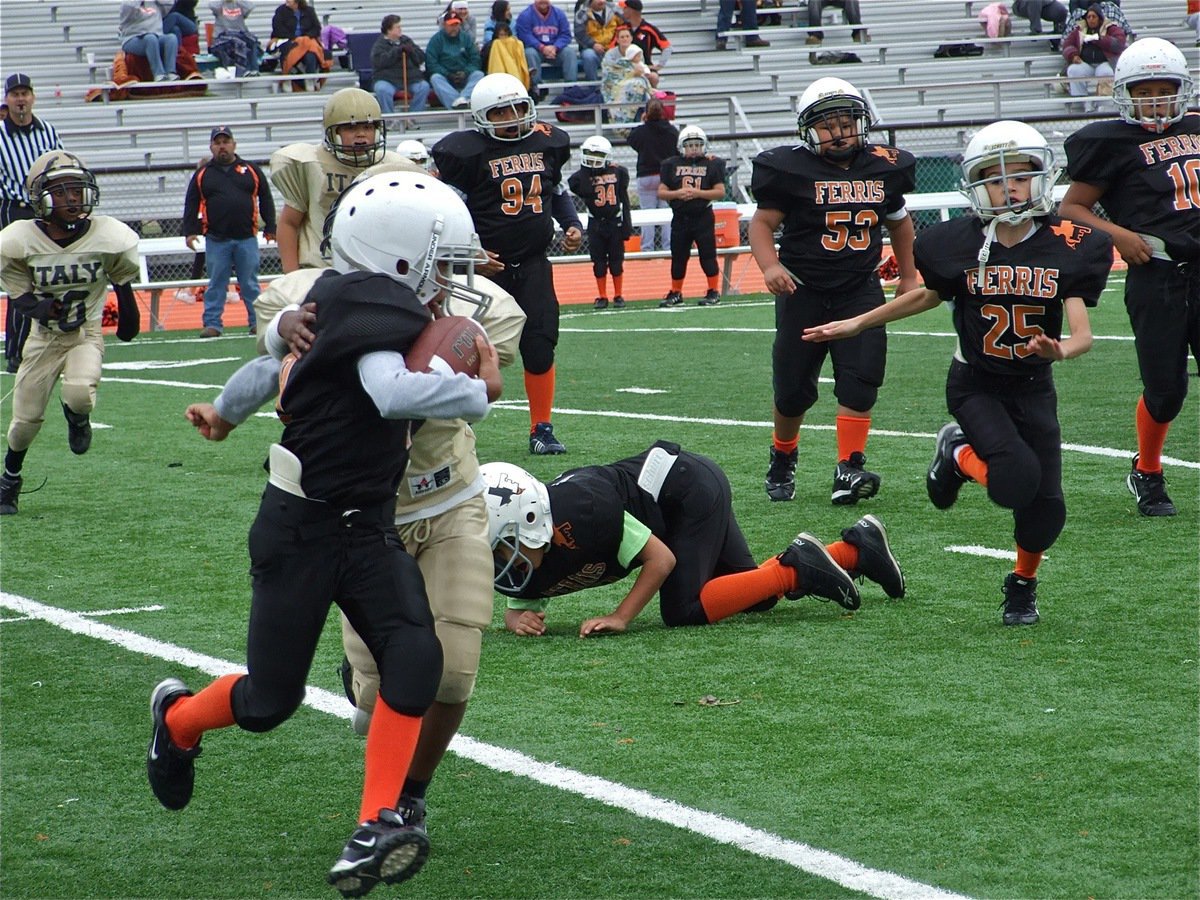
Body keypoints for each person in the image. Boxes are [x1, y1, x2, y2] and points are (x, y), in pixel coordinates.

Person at [152, 172, 502, 898]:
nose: (453, 281)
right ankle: (179, 719)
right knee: (268, 701)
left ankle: (377, 822)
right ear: (403, 257)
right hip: (302, 531)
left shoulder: (351, 299)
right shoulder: (372, 305)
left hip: (368, 527)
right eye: (444, 263)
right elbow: (388, 390)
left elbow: (272, 363)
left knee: (416, 658)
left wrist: (224, 412)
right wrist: (481, 392)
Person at [243, 165, 525, 833]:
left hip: (450, 495)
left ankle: (409, 796)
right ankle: (368, 707)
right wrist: (288, 327)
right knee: (376, 699)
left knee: (451, 679)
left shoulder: (488, 312)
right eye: (444, 263)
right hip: (367, 518)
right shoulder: (314, 297)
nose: (459, 281)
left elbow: (440, 389)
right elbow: (269, 331)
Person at [804, 121, 1112, 626]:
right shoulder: (955, 242)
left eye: (1019, 176)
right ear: (975, 184)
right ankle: (957, 450)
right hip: (977, 384)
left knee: (1046, 511)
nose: (1007, 186)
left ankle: (1022, 584)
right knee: (1014, 482)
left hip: (1034, 386)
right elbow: (929, 294)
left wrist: (1061, 351)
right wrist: (857, 321)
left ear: (1042, 178)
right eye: (994, 178)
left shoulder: (1073, 243)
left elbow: (1083, 334)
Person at [481, 445, 906, 637]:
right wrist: (517, 617)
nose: (504, 561)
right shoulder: (529, 554)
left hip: (685, 490)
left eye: (505, 546)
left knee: (683, 610)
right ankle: (856, 548)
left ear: (534, 520)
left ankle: (796, 565)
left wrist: (622, 615)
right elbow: (524, 597)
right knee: (753, 597)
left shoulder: (583, 511)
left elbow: (661, 560)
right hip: (677, 503)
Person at [749, 77, 918, 505]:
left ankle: (849, 467)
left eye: (846, 122)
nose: (840, 132)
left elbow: (899, 222)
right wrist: (770, 265)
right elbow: (762, 223)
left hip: (859, 288)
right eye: (828, 125)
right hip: (802, 290)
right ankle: (783, 456)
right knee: (791, 389)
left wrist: (910, 276)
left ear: (862, 122)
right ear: (808, 130)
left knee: (861, 379)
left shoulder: (884, 166)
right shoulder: (788, 169)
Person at [1059, 38, 1199, 517]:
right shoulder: (1111, 142)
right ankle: (1149, 470)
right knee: (1166, 391)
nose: (1157, 99)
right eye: (1146, 90)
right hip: (1157, 274)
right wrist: (1118, 233)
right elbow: (1071, 207)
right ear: (1126, 93)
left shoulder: (1198, 126)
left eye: (1166, 89)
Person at [432, 72, 583, 455]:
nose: (513, 117)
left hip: (532, 263)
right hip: (479, 271)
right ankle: (454, 428)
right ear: (483, 116)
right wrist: (470, 253)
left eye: (519, 108)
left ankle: (542, 428)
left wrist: (571, 223)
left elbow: (557, 191)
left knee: (541, 343)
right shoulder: (464, 154)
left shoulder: (547, 144)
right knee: (463, 348)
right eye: (501, 112)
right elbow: (445, 212)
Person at [0, 151, 141, 517]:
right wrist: (41, 308)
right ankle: (10, 479)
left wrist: (128, 317)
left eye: (76, 190)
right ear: (40, 197)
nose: (72, 199)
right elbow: (19, 295)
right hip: (43, 339)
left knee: (79, 394)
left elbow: (123, 283)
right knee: (24, 422)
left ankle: (77, 420)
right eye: (60, 192)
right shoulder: (18, 240)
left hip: (84, 333)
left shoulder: (109, 236)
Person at [270, 87, 403, 272]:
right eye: (351, 128)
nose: (361, 134)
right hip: (321, 269)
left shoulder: (393, 167)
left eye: (368, 127)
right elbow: (289, 223)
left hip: (375, 270)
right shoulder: (311, 162)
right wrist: (292, 274)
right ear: (333, 133)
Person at [183, 126, 276, 338]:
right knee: (216, 283)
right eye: (218, 143)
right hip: (216, 239)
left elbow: (266, 197)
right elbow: (191, 203)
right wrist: (189, 231)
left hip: (246, 237)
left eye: (226, 141)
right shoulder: (203, 174)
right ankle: (213, 324)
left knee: (250, 283)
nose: (222, 146)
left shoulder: (250, 170)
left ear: (234, 144)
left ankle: (256, 322)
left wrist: (271, 226)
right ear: (211, 147)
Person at [0, 74, 64, 375]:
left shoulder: (47, 130)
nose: (21, 99)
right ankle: (16, 351)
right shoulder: (0, 135)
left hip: (46, 210)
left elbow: (61, 163)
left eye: (25, 93)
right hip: (14, 210)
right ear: (7, 100)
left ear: (33, 97)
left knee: (48, 278)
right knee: (22, 281)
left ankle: (48, 346)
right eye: (15, 94)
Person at [656, 125, 725, 308]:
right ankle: (676, 292)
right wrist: (678, 193)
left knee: (708, 255)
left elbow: (720, 192)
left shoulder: (712, 163)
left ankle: (713, 291)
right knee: (678, 256)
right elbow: (661, 192)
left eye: (697, 144)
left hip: (703, 216)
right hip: (680, 217)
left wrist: (697, 193)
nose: (694, 148)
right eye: (690, 145)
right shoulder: (671, 164)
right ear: (681, 146)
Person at [569, 135, 633, 310]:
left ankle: (618, 295)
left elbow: (624, 200)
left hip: (614, 222)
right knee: (598, 262)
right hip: (596, 223)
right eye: (590, 154)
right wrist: (586, 170)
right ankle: (602, 295)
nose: (593, 158)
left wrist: (627, 225)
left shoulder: (619, 172)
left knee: (616, 261)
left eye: (597, 154)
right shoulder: (582, 176)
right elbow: (578, 186)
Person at [626, 96, 677, 252]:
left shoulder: (642, 131)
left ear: (646, 113)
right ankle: (667, 247)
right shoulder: (671, 131)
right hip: (666, 176)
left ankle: (647, 248)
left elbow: (631, 139)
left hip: (646, 174)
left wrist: (644, 122)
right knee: (666, 214)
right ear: (663, 112)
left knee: (647, 213)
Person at [1062, 4, 1125, 110]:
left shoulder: (1111, 28)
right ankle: (1083, 103)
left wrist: (1099, 40)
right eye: (1088, 17)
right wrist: (1073, 55)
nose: (1091, 20)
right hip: (1085, 63)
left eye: (1094, 17)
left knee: (1106, 73)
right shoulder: (1079, 30)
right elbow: (1067, 45)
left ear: (1099, 18)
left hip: (1105, 62)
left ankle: (1103, 104)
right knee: (1074, 70)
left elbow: (1119, 44)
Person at [371, 15, 431, 115]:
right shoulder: (380, 45)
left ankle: (413, 117)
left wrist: (411, 52)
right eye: (397, 27)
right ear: (389, 30)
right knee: (382, 89)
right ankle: (389, 120)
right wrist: (396, 52)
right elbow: (379, 62)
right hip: (388, 80)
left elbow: (421, 58)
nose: (400, 29)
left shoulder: (406, 40)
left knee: (424, 87)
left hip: (410, 79)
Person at [425, 11, 485, 109]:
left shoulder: (466, 38)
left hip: (465, 75)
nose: (454, 28)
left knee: (479, 75)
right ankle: (459, 103)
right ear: (444, 25)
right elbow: (431, 63)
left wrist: (466, 72)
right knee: (435, 78)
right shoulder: (436, 40)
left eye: (456, 24)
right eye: (451, 25)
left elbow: (475, 59)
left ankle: (462, 99)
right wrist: (447, 74)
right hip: (446, 77)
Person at [515, 0, 579, 89]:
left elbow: (565, 35)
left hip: (555, 51)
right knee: (529, 53)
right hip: (536, 50)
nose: (543, 1)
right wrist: (542, 47)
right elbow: (525, 36)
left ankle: (571, 89)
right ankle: (536, 89)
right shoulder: (525, 15)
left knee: (570, 53)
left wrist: (555, 47)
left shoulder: (559, 14)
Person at [601, 27, 654, 125]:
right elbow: (609, 72)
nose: (625, 39)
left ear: (631, 38)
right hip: (614, 85)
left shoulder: (638, 52)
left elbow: (641, 69)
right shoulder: (610, 54)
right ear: (617, 39)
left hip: (634, 82)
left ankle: (643, 118)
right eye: (622, 37)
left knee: (640, 85)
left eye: (627, 36)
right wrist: (630, 72)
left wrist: (637, 73)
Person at [118, 1, 181, 82]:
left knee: (171, 38)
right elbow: (128, 7)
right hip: (132, 38)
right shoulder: (128, 5)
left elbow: (168, 4)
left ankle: (171, 72)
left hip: (156, 36)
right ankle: (159, 74)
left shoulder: (155, 3)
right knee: (150, 38)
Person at [269, 0, 327, 88]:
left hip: (306, 41)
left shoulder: (309, 11)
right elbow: (278, 30)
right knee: (287, 50)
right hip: (288, 40)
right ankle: (287, 77)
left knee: (311, 54)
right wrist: (295, 39)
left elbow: (316, 28)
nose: (287, 0)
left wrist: (305, 37)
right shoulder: (281, 11)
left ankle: (310, 80)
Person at [616, 0, 671, 76]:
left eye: (625, 8)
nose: (623, 11)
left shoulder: (649, 29)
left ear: (631, 10)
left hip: (645, 67)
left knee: (653, 77)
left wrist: (660, 65)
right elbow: (612, 48)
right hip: (624, 68)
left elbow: (667, 47)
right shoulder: (621, 29)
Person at [209, 0, 263, 74]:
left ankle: (254, 70)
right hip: (222, 37)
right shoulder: (218, 6)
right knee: (238, 43)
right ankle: (241, 72)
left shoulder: (240, 4)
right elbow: (212, 5)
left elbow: (250, 6)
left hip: (240, 34)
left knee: (252, 41)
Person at [575, 0, 624, 81]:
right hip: (592, 49)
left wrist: (616, 43)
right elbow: (579, 34)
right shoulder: (582, 13)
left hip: (613, 47)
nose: (601, 1)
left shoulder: (615, 10)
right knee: (589, 56)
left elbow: (625, 26)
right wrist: (593, 44)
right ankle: (593, 87)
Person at [485, 21, 532, 88]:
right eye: (501, 35)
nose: (504, 38)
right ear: (496, 35)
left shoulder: (515, 44)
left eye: (505, 35)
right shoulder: (492, 45)